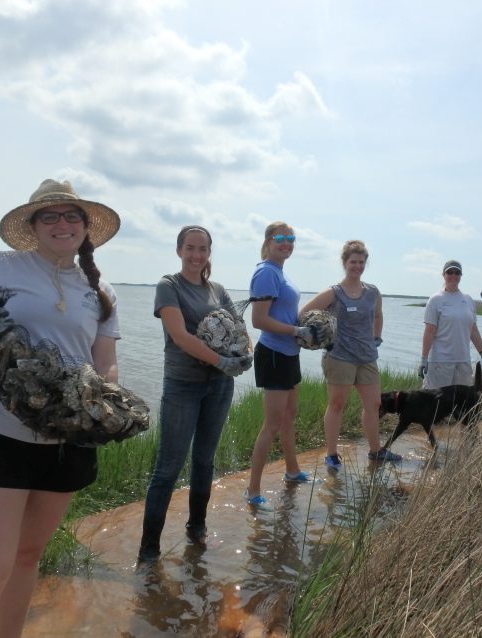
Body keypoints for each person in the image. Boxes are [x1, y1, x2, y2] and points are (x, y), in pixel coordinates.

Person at [0, 179, 121, 637]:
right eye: (49, 216)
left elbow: (106, 362)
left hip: (67, 439)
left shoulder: (101, 290)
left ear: (85, 227)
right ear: (33, 226)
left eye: (71, 215)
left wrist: (107, 400)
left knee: (27, 557)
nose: (61, 224)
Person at [138, 226, 253, 563]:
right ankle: (148, 551)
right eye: (190, 248)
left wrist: (245, 354)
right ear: (179, 250)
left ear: (209, 253)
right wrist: (221, 361)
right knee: (168, 468)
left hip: (219, 386)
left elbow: (240, 327)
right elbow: (180, 337)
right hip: (183, 385)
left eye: (203, 249)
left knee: (204, 460)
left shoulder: (217, 289)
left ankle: (197, 529)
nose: (196, 255)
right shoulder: (168, 286)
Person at [300, 240, 402, 471]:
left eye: (361, 262)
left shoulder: (373, 292)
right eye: (353, 262)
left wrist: (377, 338)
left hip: (367, 357)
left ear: (365, 264)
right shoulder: (333, 292)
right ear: (344, 263)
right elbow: (303, 314)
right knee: (337, 404)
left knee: (374, 404)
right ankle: (332, 455)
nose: (357, 266)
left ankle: (376, 451)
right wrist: (317, 335)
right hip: (339, 357)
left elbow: (378, 316)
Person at [243, 222, 318, 508]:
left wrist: (306, 327)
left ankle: (292, 469)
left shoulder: (279, 272)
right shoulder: (265, 272)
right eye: (281, 238)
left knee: (290, 415)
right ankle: (252, 490)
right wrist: (296, 331)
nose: (287, 243)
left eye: (291, 238)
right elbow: (258, 321)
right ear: (269, 242)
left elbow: (284, 314)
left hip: (290, 352)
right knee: (272, 423)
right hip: (273, 353)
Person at [419, 259, 482, 391]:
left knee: (461, 404)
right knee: (437, 405)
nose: (453, 276)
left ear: (461, 276)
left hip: (463, 361)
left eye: (457, 273)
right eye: (449, 272)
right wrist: (423, 359)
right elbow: (429, 331)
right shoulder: (435, 299)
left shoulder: (468, 300)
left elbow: (473, 330)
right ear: (443, 275)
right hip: (440, 361)